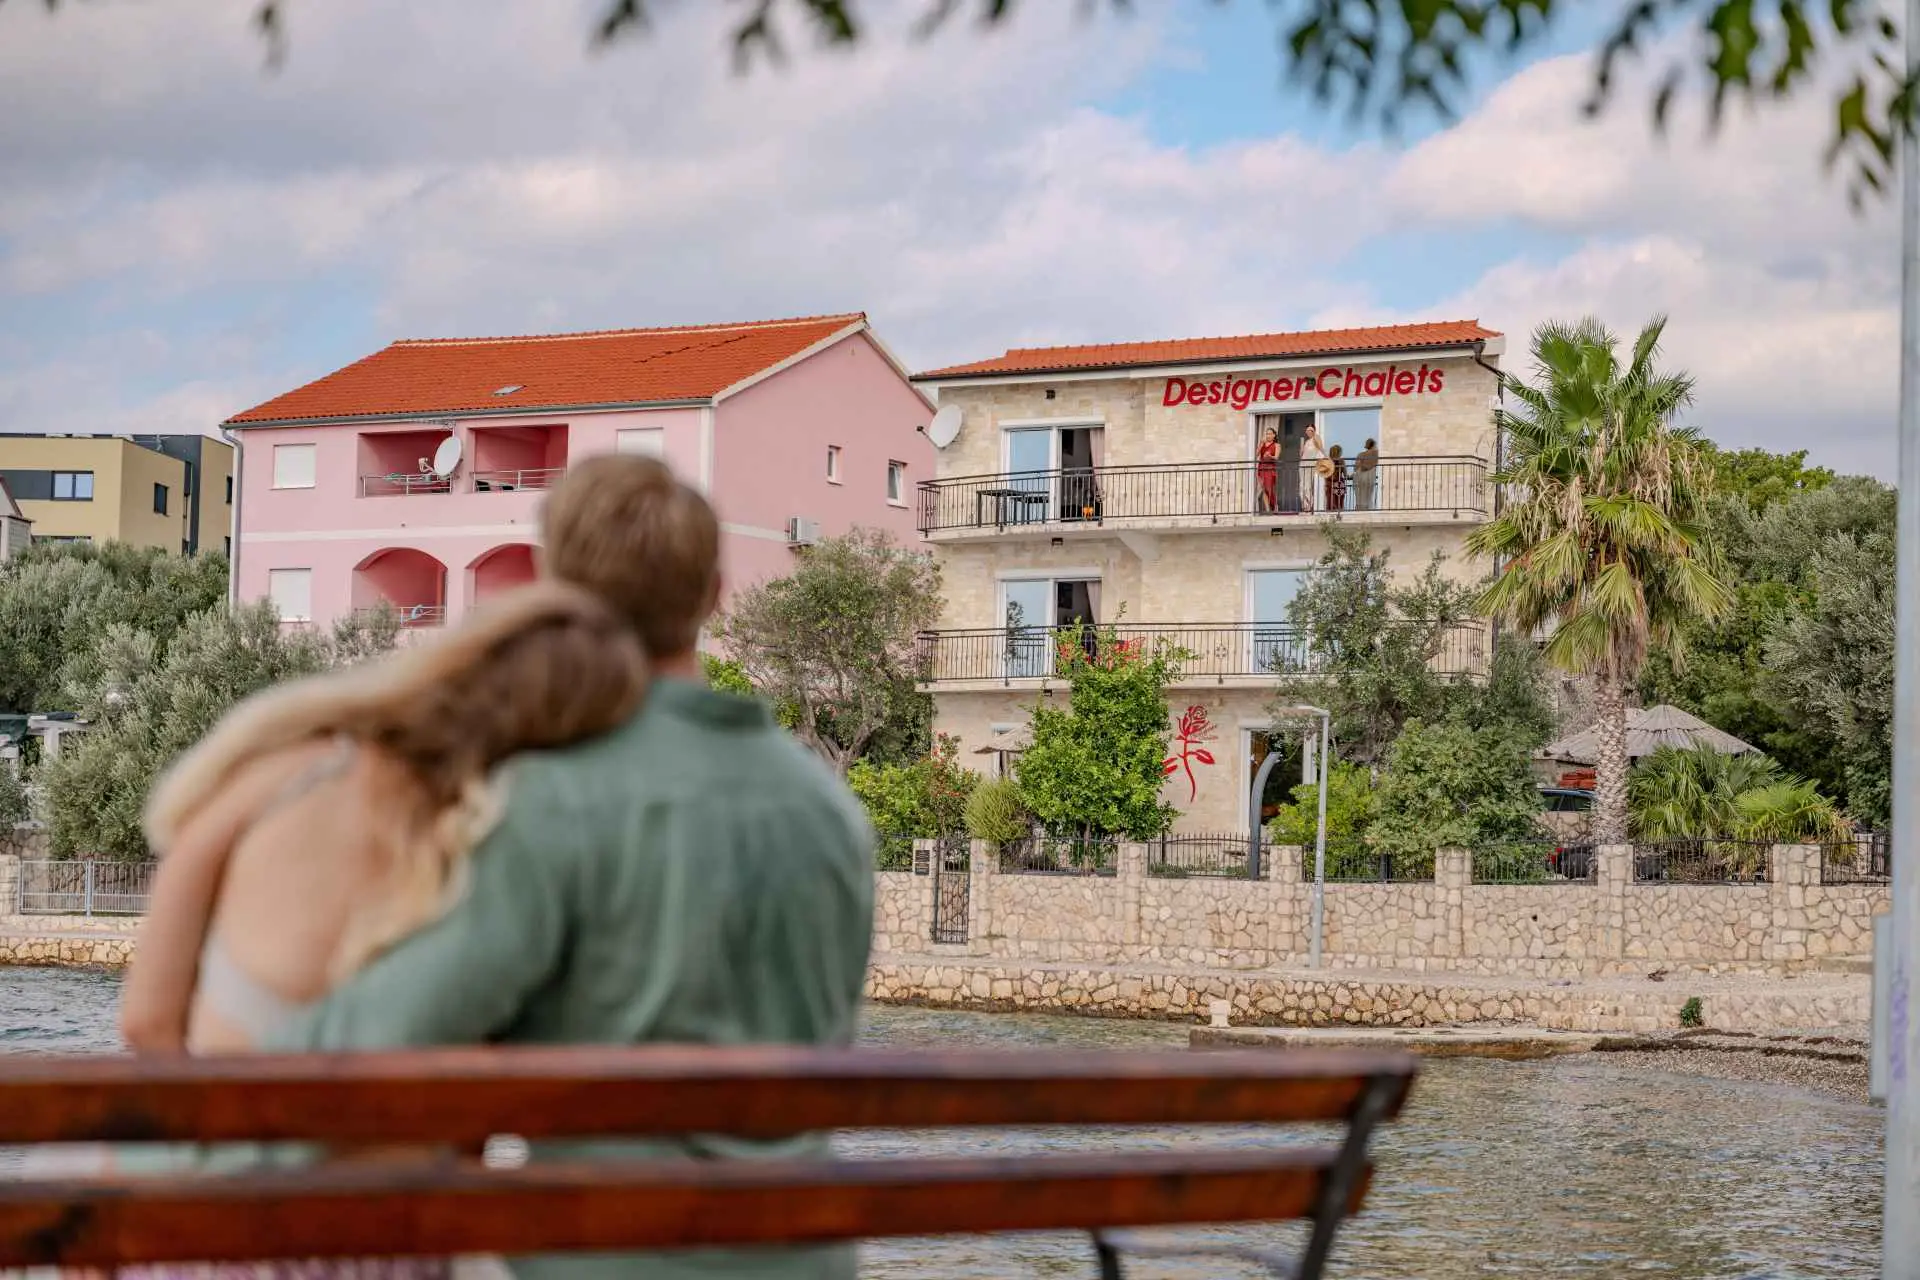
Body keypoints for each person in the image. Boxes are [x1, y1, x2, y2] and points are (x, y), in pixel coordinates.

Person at [263, 454, 877, 1280]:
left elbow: (366, 1047)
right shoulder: (830, 811)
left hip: (604, 1259)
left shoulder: (554, 799)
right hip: (804, 1260)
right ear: (714, 595)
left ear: (556, 598)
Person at [1255, 424, 1280, 513]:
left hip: (1270, 468)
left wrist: (1270, 456)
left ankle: (1275, 506)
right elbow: (1256, 454)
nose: (1268, 435)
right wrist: (1261, 444)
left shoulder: (1277, 445)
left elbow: (1276, 457)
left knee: (1270, 488)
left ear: (1274, 435)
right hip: (1261, 467)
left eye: (1270, 434)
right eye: (1267, 434)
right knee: (1264, 489)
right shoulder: (1263, 444)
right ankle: (1268, 510)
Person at [1354, 438, 1379, 511]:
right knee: (1368, 496)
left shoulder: (1360, 454)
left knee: (1361, 495)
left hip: (1360, 477)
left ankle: (1361, 509)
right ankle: (1367, 509)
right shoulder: (1376, 453)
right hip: (1369, 477)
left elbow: (1356, 467)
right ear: (1373, 445)